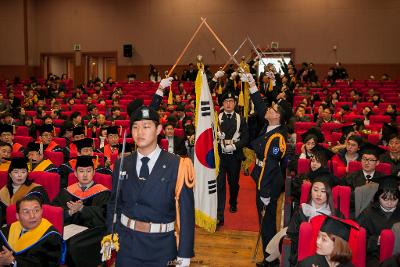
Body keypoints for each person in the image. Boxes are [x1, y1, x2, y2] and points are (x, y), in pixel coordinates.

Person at [104, 106, 195, 266]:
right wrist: (110, 234)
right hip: (126, 245)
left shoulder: (177, 165)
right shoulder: (122, 164)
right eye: (135, 127)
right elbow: (115, 204)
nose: (140, 132)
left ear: (159, 129)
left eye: (146, 126)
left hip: (161, 247)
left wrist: (185, 254)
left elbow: (186, 213)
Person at [241, 72, 288, 267]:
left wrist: (266, 192)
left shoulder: (277, 138)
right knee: (264, 220)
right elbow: (260, 107)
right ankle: (269, 257)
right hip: (262, 176)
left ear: (278, 116)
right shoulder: (270, 126)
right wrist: (252, 84)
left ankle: (271, 259)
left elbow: (269, 167)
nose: (268, 109)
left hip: (268, 181)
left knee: (267, 220)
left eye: (272, 108)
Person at [52, 156, 111, 267]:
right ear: (75, 173)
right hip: (69, 228)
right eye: (81, 171)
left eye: (88, 171)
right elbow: (54, 212)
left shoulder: (103, 192)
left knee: (73, 245)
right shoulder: (66, 192)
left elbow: (106, 215)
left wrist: (82, 209)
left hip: (92, 232)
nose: (85, 175)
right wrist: (69, 212)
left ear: (94, 172)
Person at [287, 175, 342, 267]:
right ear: (311, 191)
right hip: (302, 251)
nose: (318, 194)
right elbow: (292, 234)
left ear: (328, 193)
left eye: (323, 191)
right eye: (315, 190)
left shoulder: (335, 215)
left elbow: (338, 242)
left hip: (326, 255)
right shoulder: (302, 209)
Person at [0, 194, 64, 266]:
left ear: (42, 212)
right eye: (26, 212)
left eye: (36, 210)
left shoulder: (52, 236)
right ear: (17, 216)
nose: (32, 216)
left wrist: (13, 262)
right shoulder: (6, 231)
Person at [216, 89, 249, 226]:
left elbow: (246, 137)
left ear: (235, 103)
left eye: (231, 101)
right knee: (220, 184)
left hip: (234, 156)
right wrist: (217, 137)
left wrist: (235, 146)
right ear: (223, 103)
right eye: (226, 101)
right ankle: (219, 214)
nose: (228, 104)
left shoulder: (241, 119)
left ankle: (233, 202)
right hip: (220, 156)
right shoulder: (216, 118)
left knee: (233, 183)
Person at [357, 175, 400, 267]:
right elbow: (358, 239)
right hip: (374, 255)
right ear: (377, 197)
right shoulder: (367, 214)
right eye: (385, 199)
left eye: (394, 199)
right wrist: (377, 240)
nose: (389, 203)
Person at [0, 158, 49, 224]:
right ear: (10, 175)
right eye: (16, 172)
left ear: (27, 174)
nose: (20, 175)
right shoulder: (3, 191)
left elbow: (45, 211)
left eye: (23, 172)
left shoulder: (37, 190)